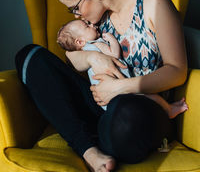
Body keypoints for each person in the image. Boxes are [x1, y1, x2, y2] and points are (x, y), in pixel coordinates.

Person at [15, 0, 188, 172]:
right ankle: (89, 151)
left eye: (75, 8)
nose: (76, 16)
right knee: (29, 56)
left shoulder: (155, 4)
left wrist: (120, 88)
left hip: (142, 109)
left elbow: (177, 71)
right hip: (101, 105)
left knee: (124, 117)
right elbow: (71, 60)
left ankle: (87, 135)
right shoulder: (96, 22)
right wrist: (94, 58)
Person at [57, 19, 188, 115]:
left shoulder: (84, 51)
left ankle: (168, 108)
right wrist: (111, 39)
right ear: (80, 42)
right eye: (87, 26)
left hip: (111, 99)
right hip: (116, 92)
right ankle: (169, 110)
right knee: (151, 97)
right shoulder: (95, 45)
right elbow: (114, 54)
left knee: (146, 102)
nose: (92, 25)